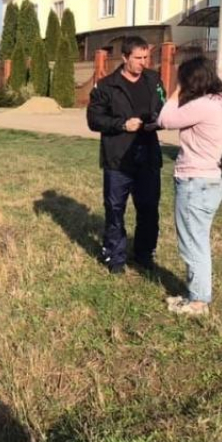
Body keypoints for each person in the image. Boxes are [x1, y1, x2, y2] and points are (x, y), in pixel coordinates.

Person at [157, 56, 222, 315]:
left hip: (195, 183)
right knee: (197, 241)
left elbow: (165, 119)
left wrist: (176, 91)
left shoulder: (204, 105)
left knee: (193, 244)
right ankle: (195, 294)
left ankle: (199, 301)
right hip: (209, 181)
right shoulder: (219, 102)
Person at [87, 37, 166, 274]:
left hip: (148, 156)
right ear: (124, 58)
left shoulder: (154, 80)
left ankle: (144, 254)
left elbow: (164, 106)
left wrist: (158, 121)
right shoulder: (106, 86)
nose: (143, 63)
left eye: (146, 58)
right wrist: (122, 124)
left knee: (149, 209)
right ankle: (115, 257)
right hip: (118, 159)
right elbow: (94, 120)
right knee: (115, 210)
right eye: (138, 58)